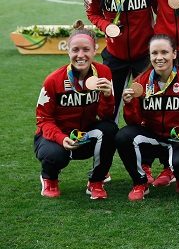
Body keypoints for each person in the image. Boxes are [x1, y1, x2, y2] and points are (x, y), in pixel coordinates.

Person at [35, 24, 117, 199]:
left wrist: (108, 96)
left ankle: (96, 180)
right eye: (75, 50)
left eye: (86, 49)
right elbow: (43, 119)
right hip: (57, 136)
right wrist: (60, 138)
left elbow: (106, 116)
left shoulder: (103, 73)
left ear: (95, 50)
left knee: (110, 129)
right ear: (68, 51)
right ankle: (49, 177)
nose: (80, 55)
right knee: (54, 155)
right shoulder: (53, 80)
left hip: (84, 135)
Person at [116, 34, 179, 201]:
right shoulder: (141, 82)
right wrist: (129, 104)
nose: (159, 57)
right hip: (152, 137)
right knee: (123, 136)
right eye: (154, 53)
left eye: (164, 52)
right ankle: (140, 182)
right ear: (149, 56)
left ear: (174, 54)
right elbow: (133, 122)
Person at [85, 0, 155, 115]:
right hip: (115, 55)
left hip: (144, 55)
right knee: (110, 104)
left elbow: (160, 8)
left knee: (145, 104)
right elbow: (92, 13)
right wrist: (105, 25)